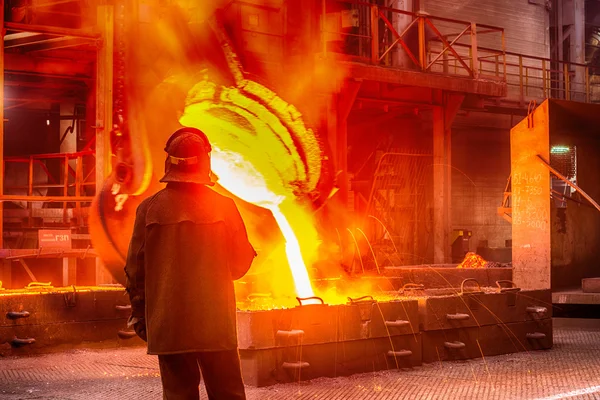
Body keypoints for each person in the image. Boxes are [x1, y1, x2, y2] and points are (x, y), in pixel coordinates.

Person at [124, 127, 256, 399]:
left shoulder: (149, 209)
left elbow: (135, 271)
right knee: (228, 394)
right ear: (206, 162)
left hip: (169, 325)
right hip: (216, 325)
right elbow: (241, 265)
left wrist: (141, 315)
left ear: (169, 162)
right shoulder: (224, 207)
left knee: (179, 395)